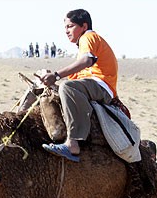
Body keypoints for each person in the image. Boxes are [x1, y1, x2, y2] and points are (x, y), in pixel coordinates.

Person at [40, 9, 118, 163]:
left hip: (101, 86)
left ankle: (72, 142)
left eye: (70, 26)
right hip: (92, 85)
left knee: (67, 87)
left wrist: (56, 75)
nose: (66, 31)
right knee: (57, 89)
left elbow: (86, 61)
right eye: (65, 27)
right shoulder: (85, 45)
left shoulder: (88, 37)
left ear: (84, 26)